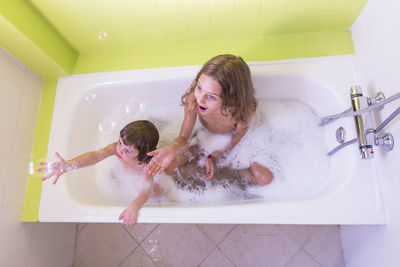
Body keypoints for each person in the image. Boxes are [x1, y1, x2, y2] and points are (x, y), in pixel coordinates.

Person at [147, 54, 274, 186]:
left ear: (230, 98)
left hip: (229, 146)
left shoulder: (242, 110)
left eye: (211, 97)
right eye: (199, 88)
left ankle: (233, 172)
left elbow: (236, 137)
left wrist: (213, 156)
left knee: (265, 179)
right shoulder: (193, 100)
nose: (200, 99)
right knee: (168, 167)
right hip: (204, 140)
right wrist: (172, 150)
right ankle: (223, 174)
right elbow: (184, 138)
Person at [40, 120, 163, 226]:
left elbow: (147, 189)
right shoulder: (115, 148)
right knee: (113, 175)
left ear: (143, 154)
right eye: (120, 142)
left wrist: (135, 206)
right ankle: (119, 175)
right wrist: (68, 165)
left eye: (127, 151)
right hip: (126, 172)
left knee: (155, 192)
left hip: (142, 175)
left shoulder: (148, 163)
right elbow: (96, 156)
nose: (120, 150)